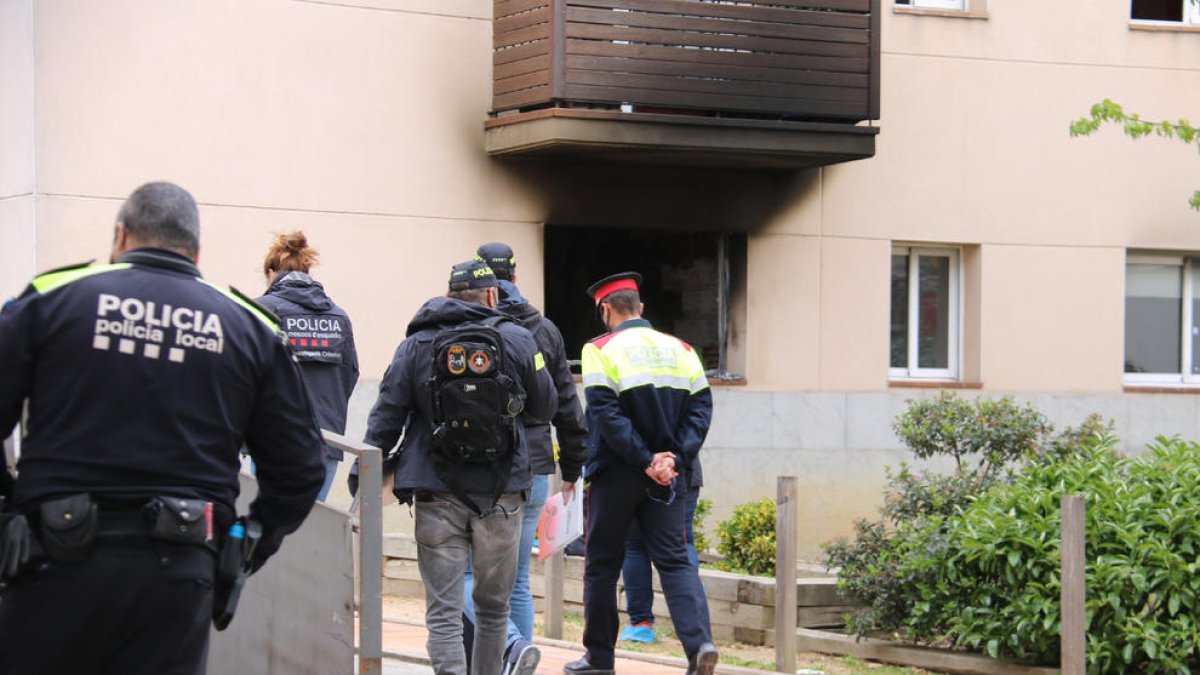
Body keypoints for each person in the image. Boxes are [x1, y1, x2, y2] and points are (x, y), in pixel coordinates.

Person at [0, 181, 326, 674]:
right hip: (180, 569)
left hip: (52, 558)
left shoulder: (52, 299)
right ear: (197, 250)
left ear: (119, 237)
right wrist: (246, 543)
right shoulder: (247, 326)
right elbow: (301, 467)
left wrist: (7, 519)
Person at [364, 259, 556, 675]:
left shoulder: (416, 344)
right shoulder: (519, 340)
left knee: (444, 610)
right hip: (502, 494)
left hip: (436, 492)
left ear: (448, 295)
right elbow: (545, 406)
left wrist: (365, 470)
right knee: (493, 609)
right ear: (493, 295)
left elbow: (386, 415)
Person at [566, 272, 718, 675]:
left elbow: (605, 413)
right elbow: (701, 411)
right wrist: (672, 460)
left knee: (601, 564)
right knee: (675, 561)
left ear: (605, 309)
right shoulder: (683, 349)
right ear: (641, 308)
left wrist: (643, 459)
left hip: (616, 473)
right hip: (668, 479)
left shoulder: (599, 349)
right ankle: (699, 644)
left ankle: (599, 659)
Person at [461, 243, 588, 675]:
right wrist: (572, 469)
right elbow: (568, 406)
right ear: (514, 279)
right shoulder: (544, 329)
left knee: (468, 574)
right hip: (533, 467)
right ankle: (519, 660)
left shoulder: (466, 324)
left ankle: (510, 650)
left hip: (480, 467)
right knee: (514, 579)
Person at [257, 230, 359, 501]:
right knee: (313, 523)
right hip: (325, 440)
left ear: (271, 272)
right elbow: (350, 375)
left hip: (271, 440)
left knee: (272, 528)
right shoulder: (338, 317)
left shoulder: (260, 310)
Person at [618, 461, 703, 644]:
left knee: (635, 546)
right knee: (682, 544)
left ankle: (641, 624)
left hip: (639, 473)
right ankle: (696, 626)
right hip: (683, 472)